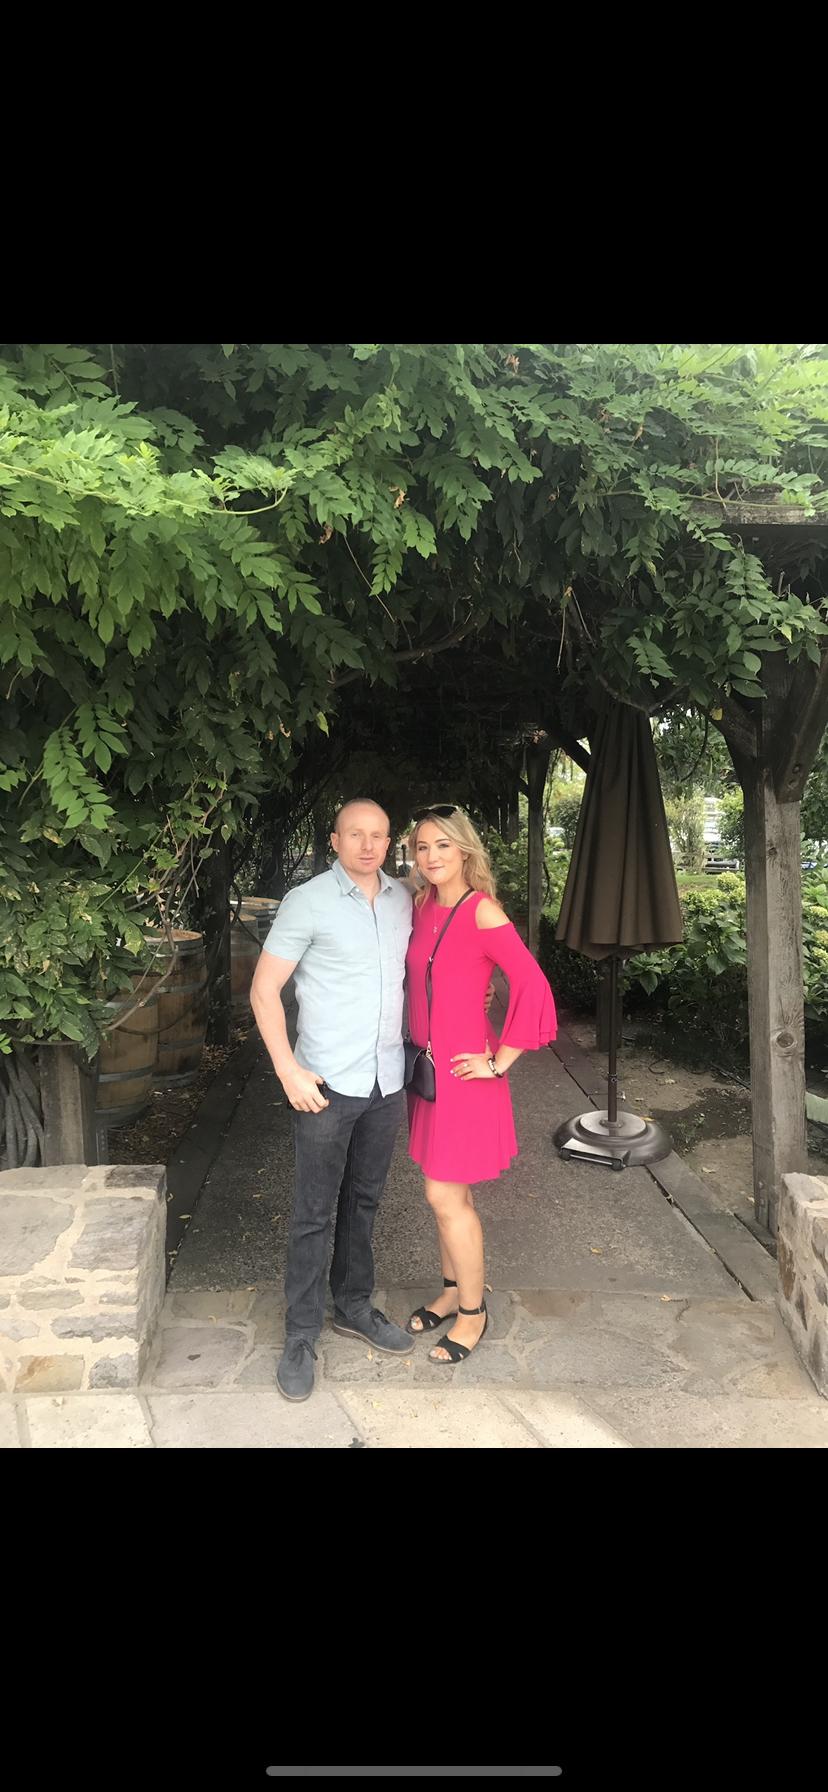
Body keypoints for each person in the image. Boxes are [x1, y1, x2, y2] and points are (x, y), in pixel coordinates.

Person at [250, 798, 415, 1402]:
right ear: (335, 840)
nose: (368, 845)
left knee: (364, 1202)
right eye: (355, 834)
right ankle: (300, 1333)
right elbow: (263, 990)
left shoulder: (403, 900)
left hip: (385, 1082)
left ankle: (352, 1306)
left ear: (389, 842)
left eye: (378, 835)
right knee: (313, 1214)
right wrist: (287, 1070)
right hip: (324, 1085)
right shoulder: (308, 901)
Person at [404, 804, 557, 1364]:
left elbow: (533, 985)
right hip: (428, 1071)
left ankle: (473, 1313)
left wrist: (500, 1060)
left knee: (443, 1195)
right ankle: (451, 1292)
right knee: (450, 1195)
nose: (431, 856)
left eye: (443, 845)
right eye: (422, 847)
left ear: (464, 849)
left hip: (465, 1074)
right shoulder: (422, 904)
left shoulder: (482, 911)